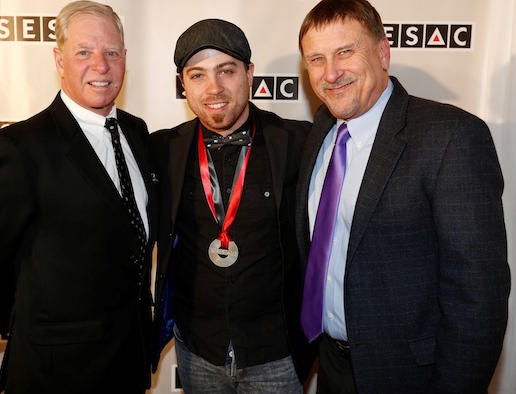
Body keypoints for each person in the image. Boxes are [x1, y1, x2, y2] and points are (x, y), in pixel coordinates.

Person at [296, 0, 511, 393]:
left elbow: (478, 299)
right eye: (316, 59)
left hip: (411, 376)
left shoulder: (450, 137)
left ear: (382, 52)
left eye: (346, 51)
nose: (331, 72)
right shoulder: (322, 131)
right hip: (330, 365)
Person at [0, 1, 156, 393]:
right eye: (84, 52)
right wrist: (28, 315)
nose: (101, 65)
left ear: (125, 58)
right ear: (59, 60)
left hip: (129, 362)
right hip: (56, 371)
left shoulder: (137, 133)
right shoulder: (18, 147)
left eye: (112, 52)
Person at [148, 18, 315, 394]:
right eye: (197, 75)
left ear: (250, 74)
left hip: (277, 352)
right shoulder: (161, 149)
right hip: (197, 349)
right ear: (183, 84)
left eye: (226, 71)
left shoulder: (300, 142)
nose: (214, 88)